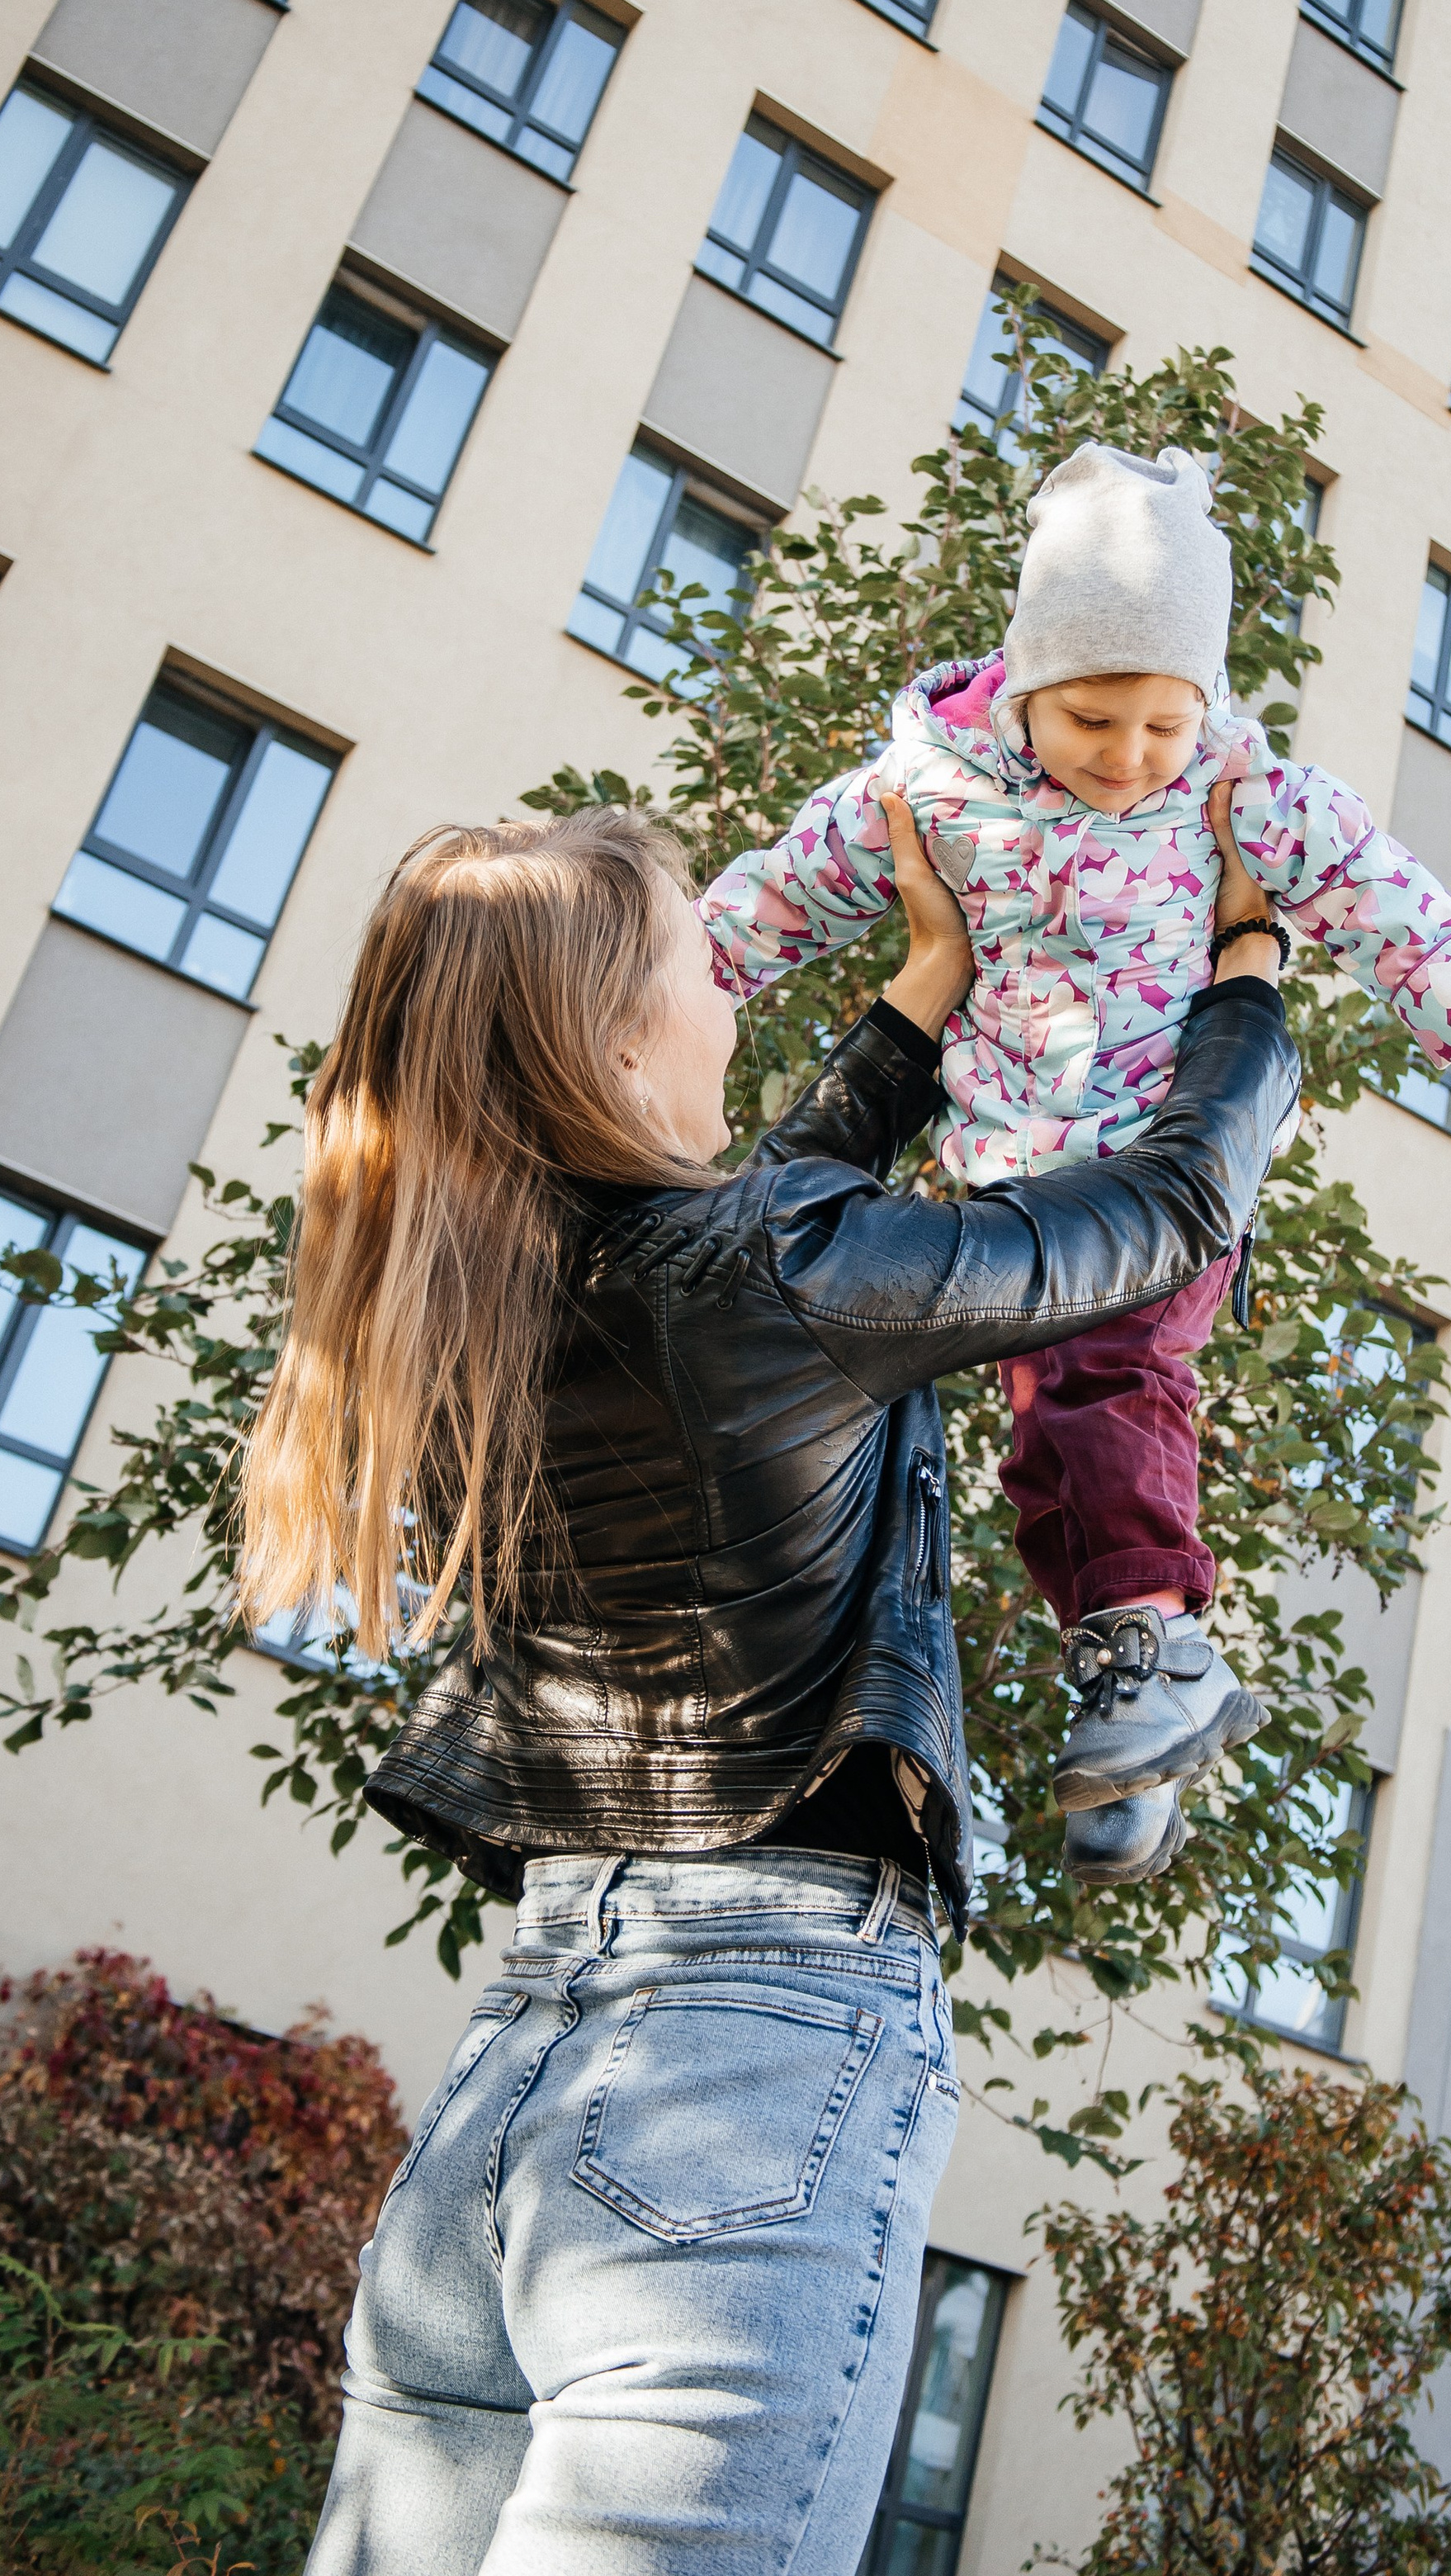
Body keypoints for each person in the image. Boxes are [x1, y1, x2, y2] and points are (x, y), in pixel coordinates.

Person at [239, 783, 1300, 2575]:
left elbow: (761, 1233)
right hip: (747, 2071)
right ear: (617, 1030)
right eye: (698, 961)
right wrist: (1248, 973)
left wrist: (923, 996)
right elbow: (1172, 1205)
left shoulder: (475, 1306)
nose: (728, 996)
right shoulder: (766, 1282)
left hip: (516, 2086)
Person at [702, 443, 1451, 1885]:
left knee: (1112, 1376)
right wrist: (678, 978)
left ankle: (1152, 1630)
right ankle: (1126, 1683)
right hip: (1021, 1184)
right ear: (1023, 680)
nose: (1130, 757)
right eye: (1092, 718)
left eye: (1162, 722)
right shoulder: (929, 786)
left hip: (1164, 1157)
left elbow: (1377, 886)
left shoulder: (1239, 793)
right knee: (1043, 1430)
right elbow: (787, 885)